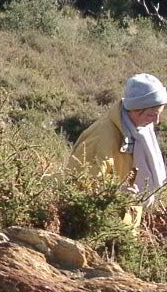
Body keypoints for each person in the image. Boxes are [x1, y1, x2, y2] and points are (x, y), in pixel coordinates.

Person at [69, 73, 167, 229]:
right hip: (98, 227)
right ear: (135, 109)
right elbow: (79, 187)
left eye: (159, 114)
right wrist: (116, 193)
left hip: (121, 226)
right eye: (152, 114)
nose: (156, 121)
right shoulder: (102, 139)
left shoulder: (136, 132)